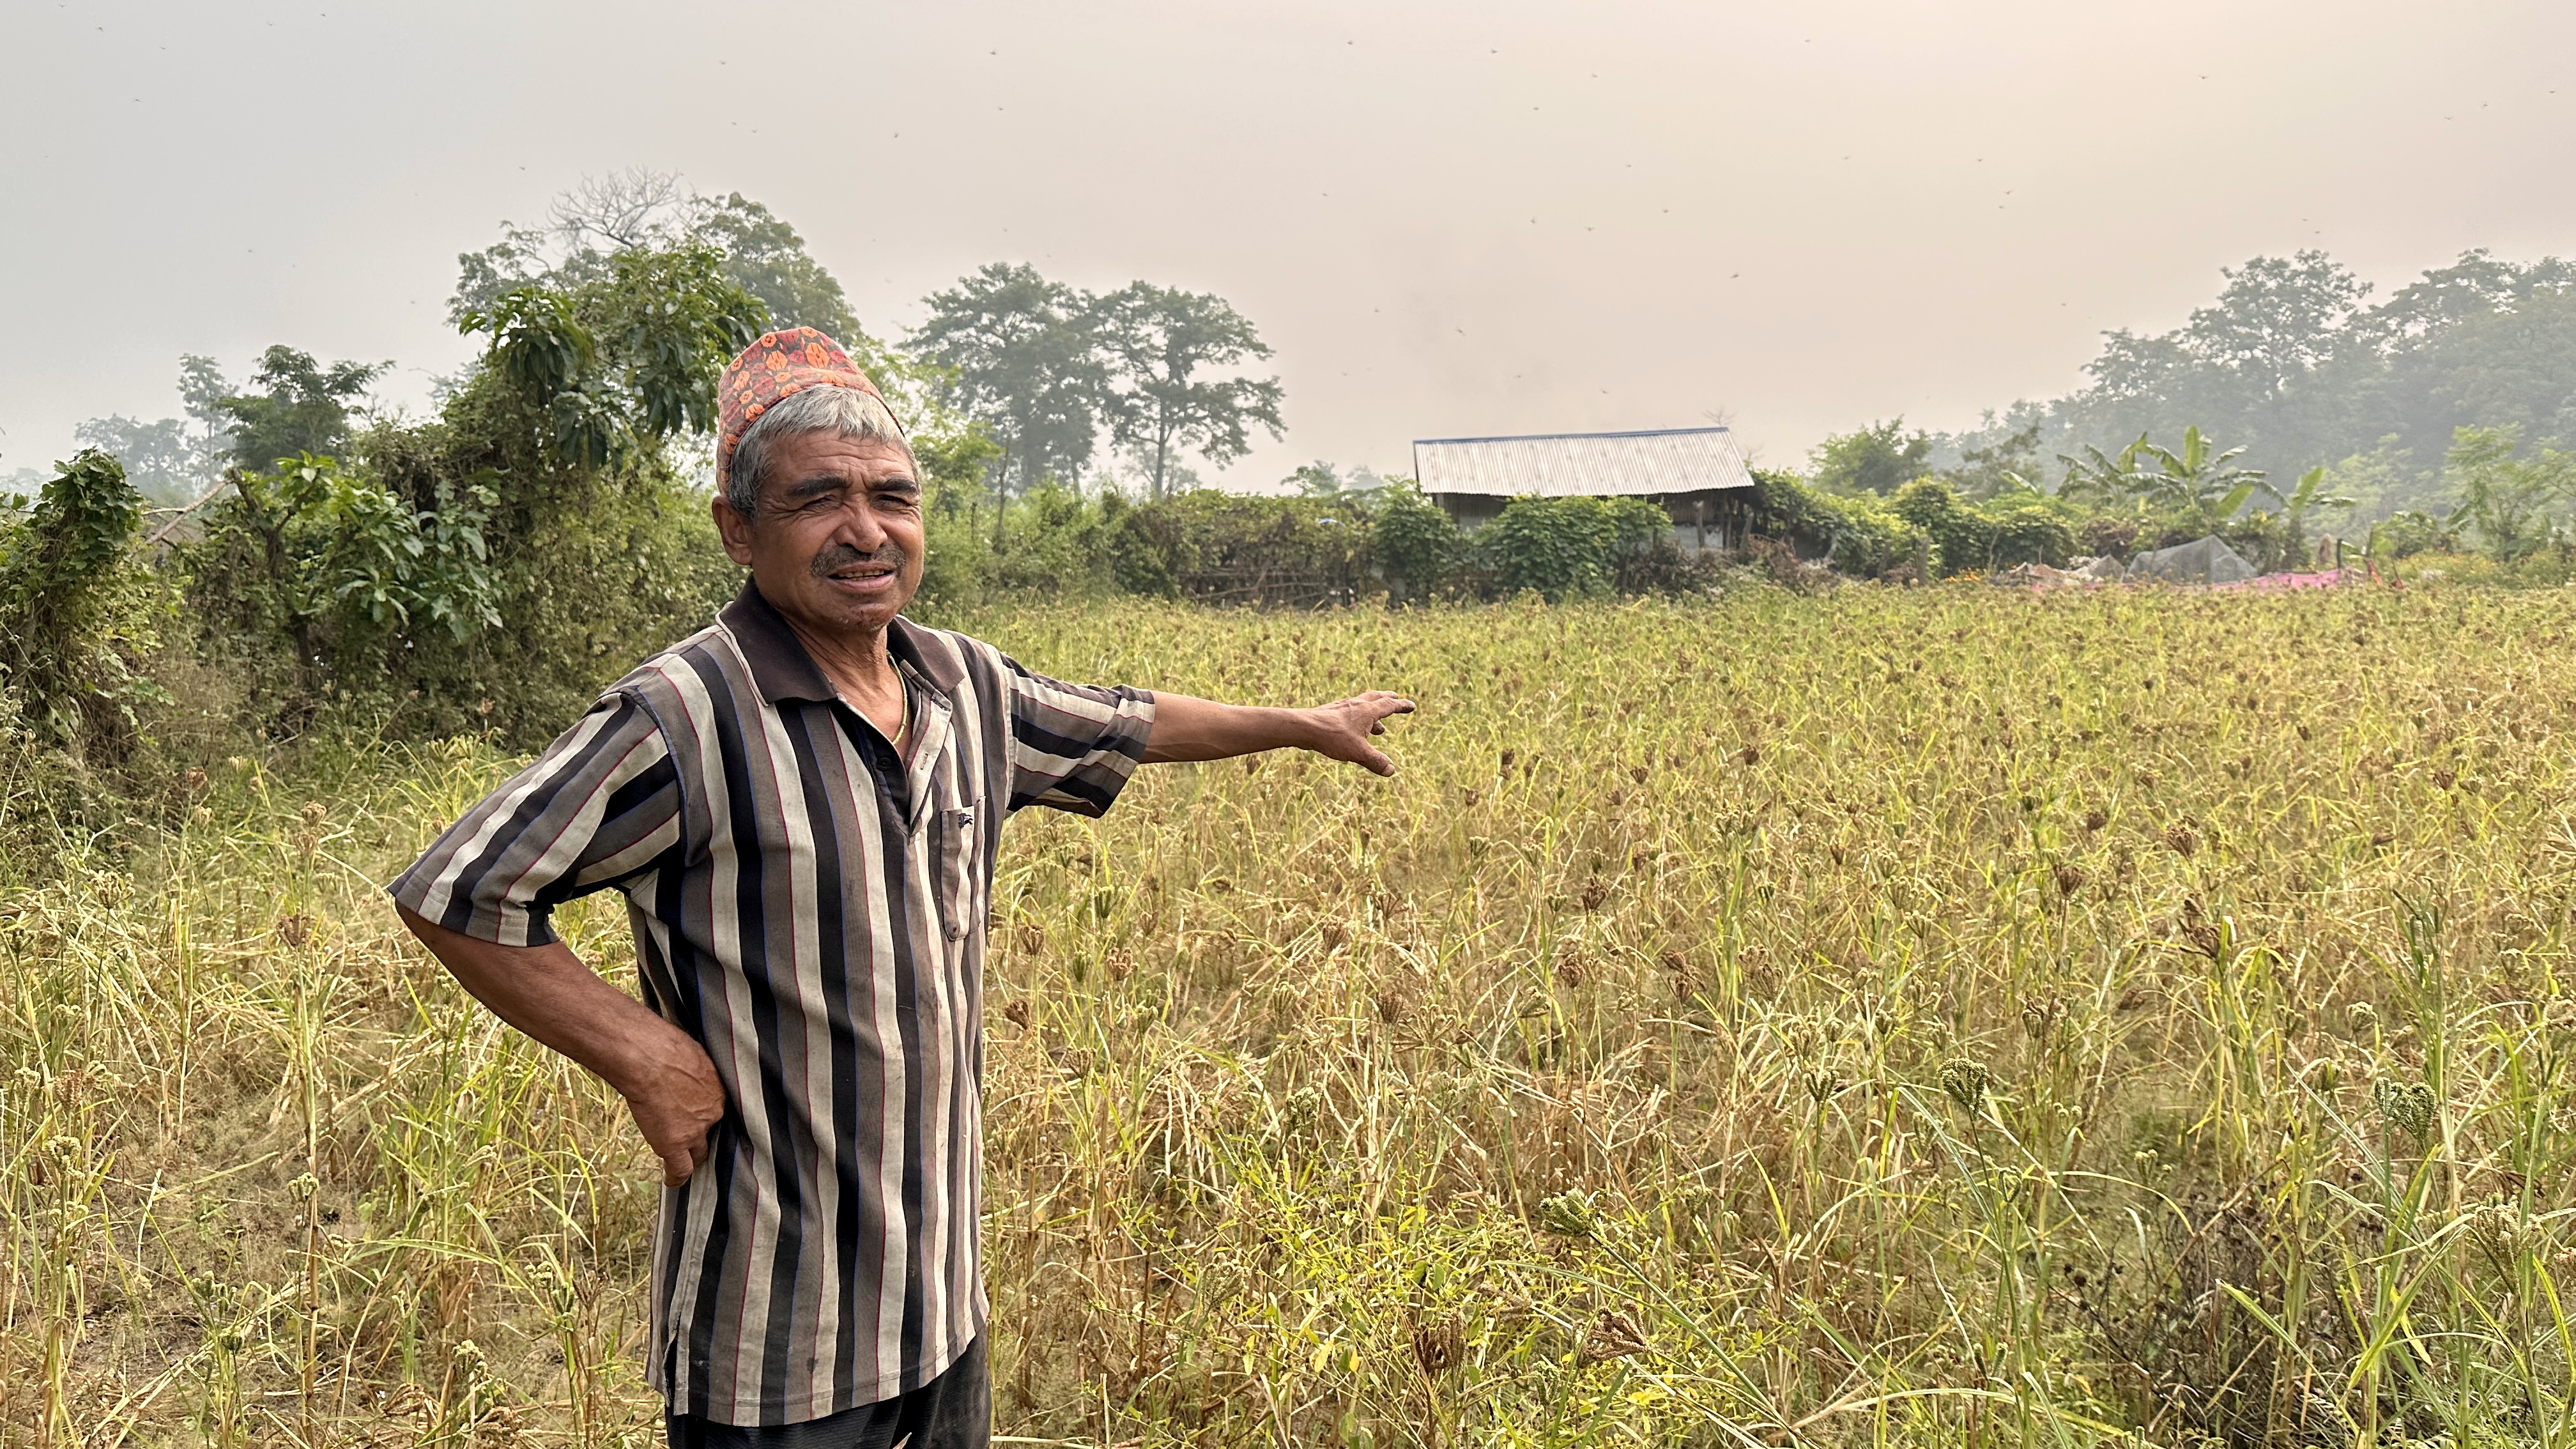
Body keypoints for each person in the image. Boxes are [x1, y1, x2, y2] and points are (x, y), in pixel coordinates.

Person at [390, 328, 1413, 1448]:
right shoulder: (684, 715)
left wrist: (1301, 725)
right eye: (818, 499)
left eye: (894, 497)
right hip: (778, 1330)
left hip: (940, 1302)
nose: (867, 530)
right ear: (738, 530)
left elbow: (1129, 720)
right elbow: (462, 887)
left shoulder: (963, 682)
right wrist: (648, 1058)